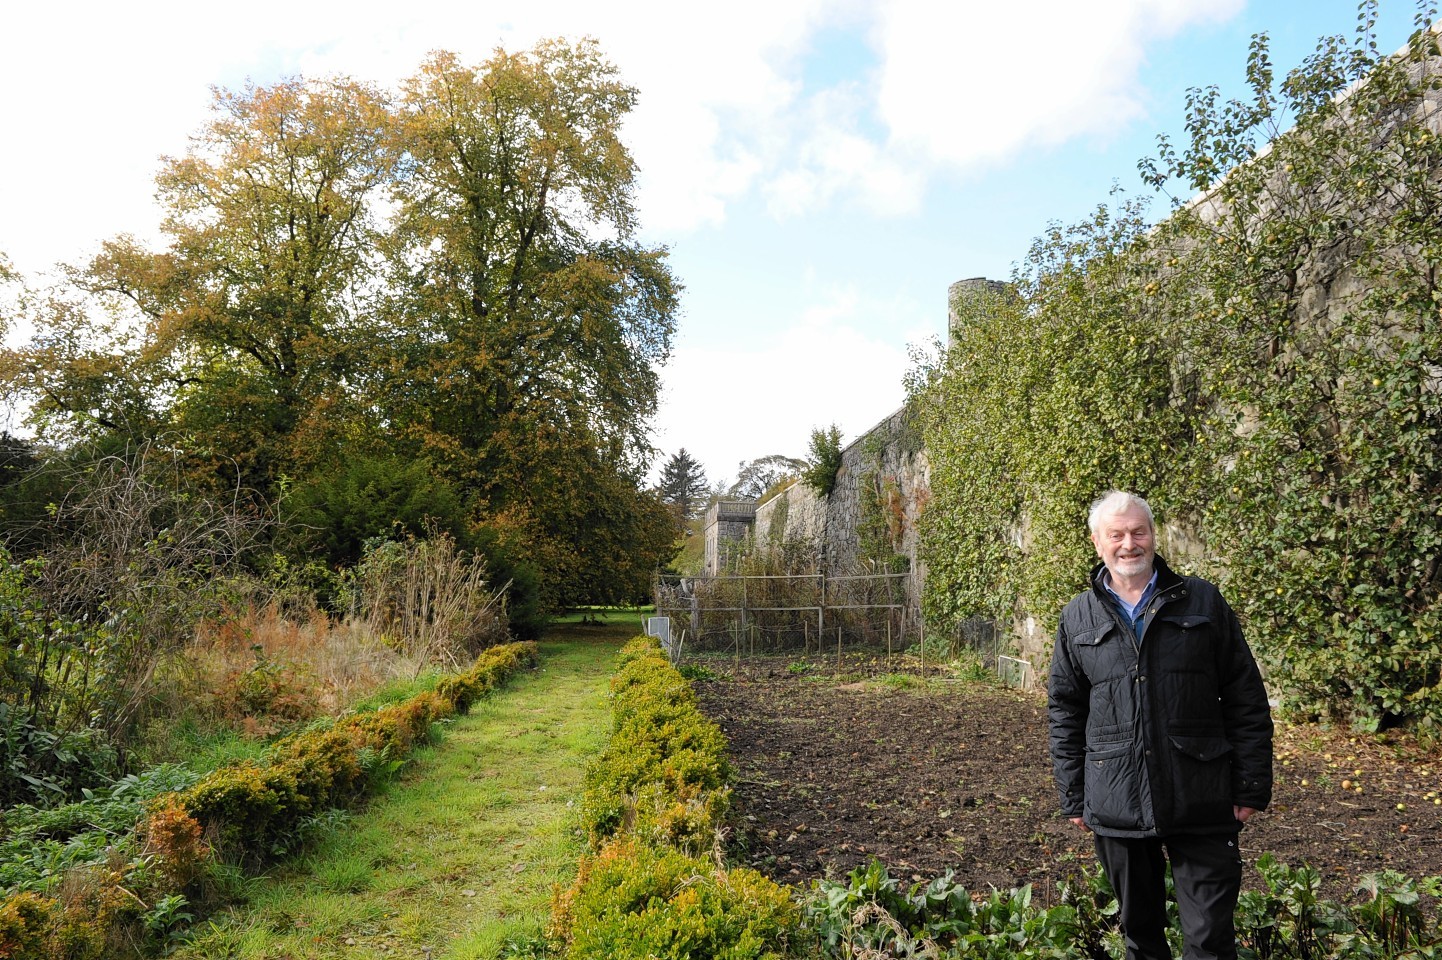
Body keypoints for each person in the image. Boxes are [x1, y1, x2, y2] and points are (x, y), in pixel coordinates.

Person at [1048, 490, 1273, 960]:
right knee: (1141, 938)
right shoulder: (1077, 617)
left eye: (1139, 532)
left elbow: (1244, 695)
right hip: (1117, 800)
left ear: (1154, 535)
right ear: (1097, 542)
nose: (1129, 543)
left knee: (1210, 939)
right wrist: (1074, 794)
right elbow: (1066, 711)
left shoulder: (1202, 601)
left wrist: (1250, 786)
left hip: (1202, 796)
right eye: (1117, 534)